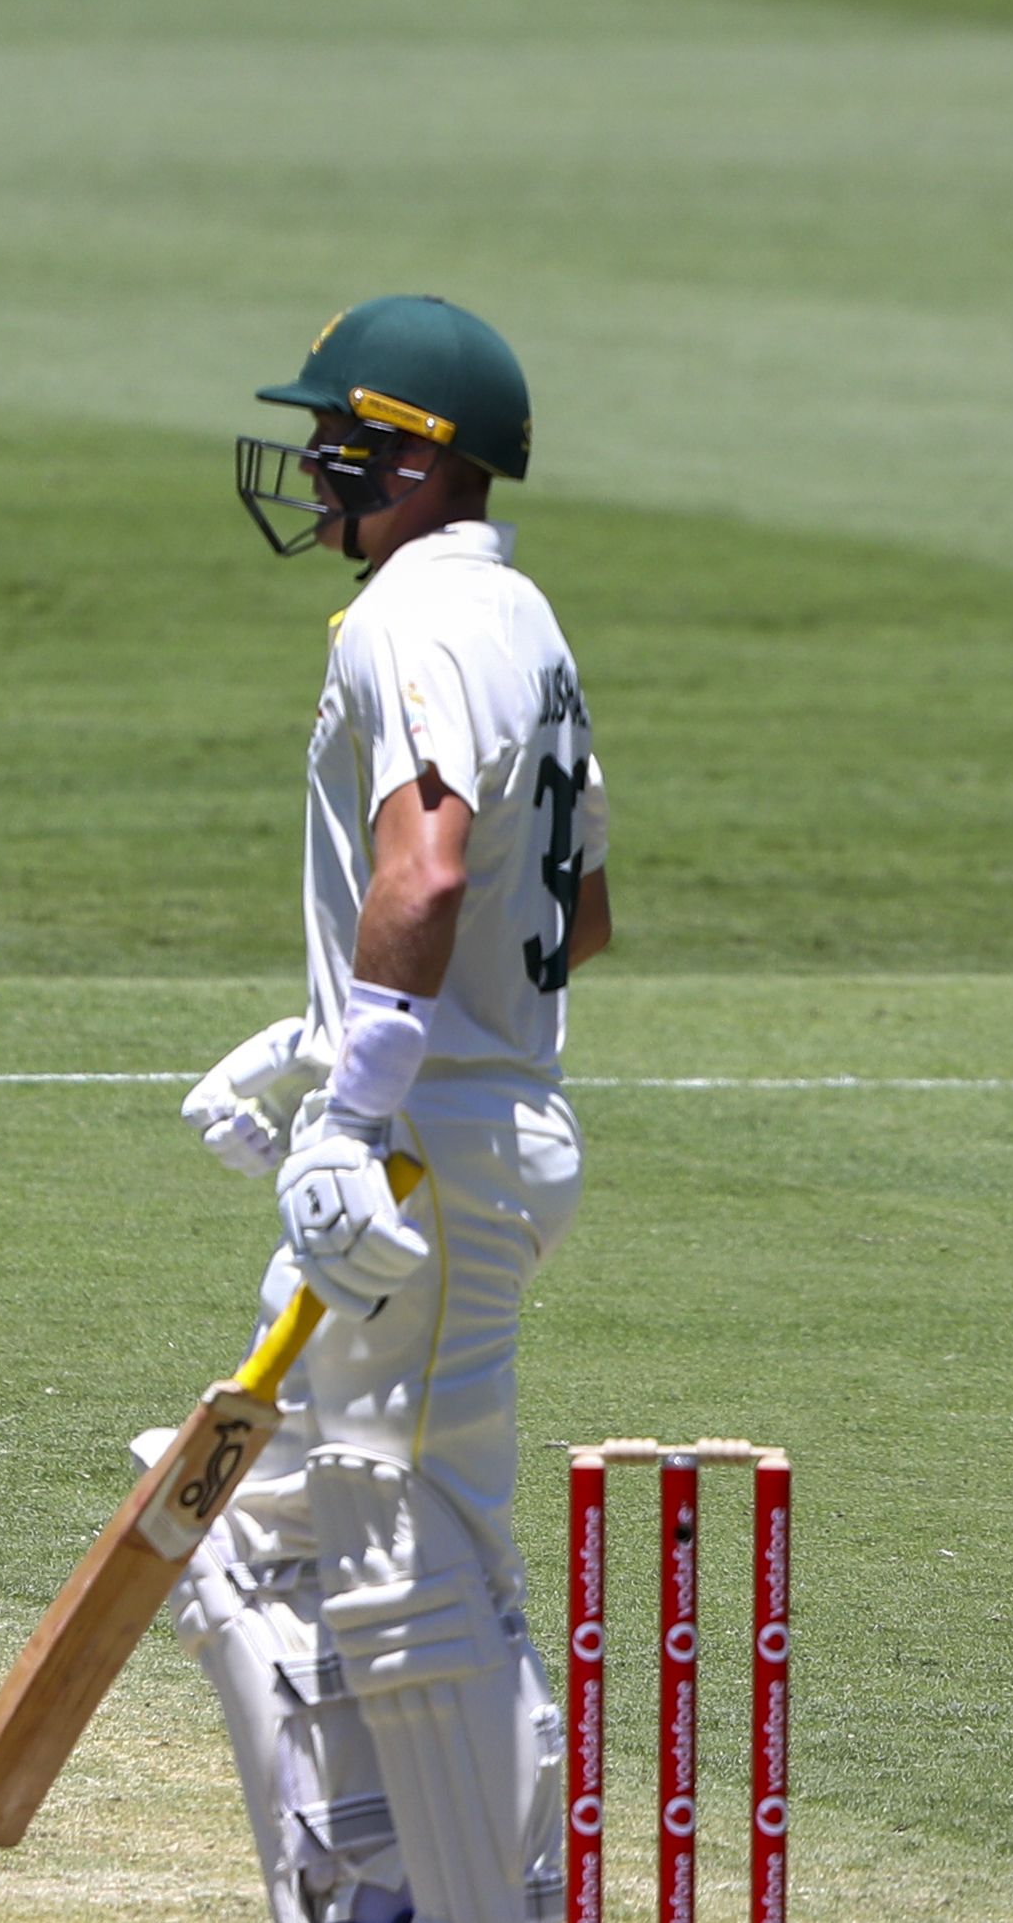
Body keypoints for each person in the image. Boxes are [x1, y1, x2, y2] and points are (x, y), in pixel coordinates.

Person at [169, 296, 609, 1922]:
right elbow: (572, 909)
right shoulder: (523, 623)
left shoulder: (411, 622)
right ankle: (373, 1890)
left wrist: (353, 1110)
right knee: (274, 1531)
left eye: (339, 438)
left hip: (433, 1155)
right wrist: (316, 1037)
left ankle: (482, 1904)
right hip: (463, 1128)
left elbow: (428, 867)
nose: (309, 465)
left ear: (423, 461)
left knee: (405, 1549)